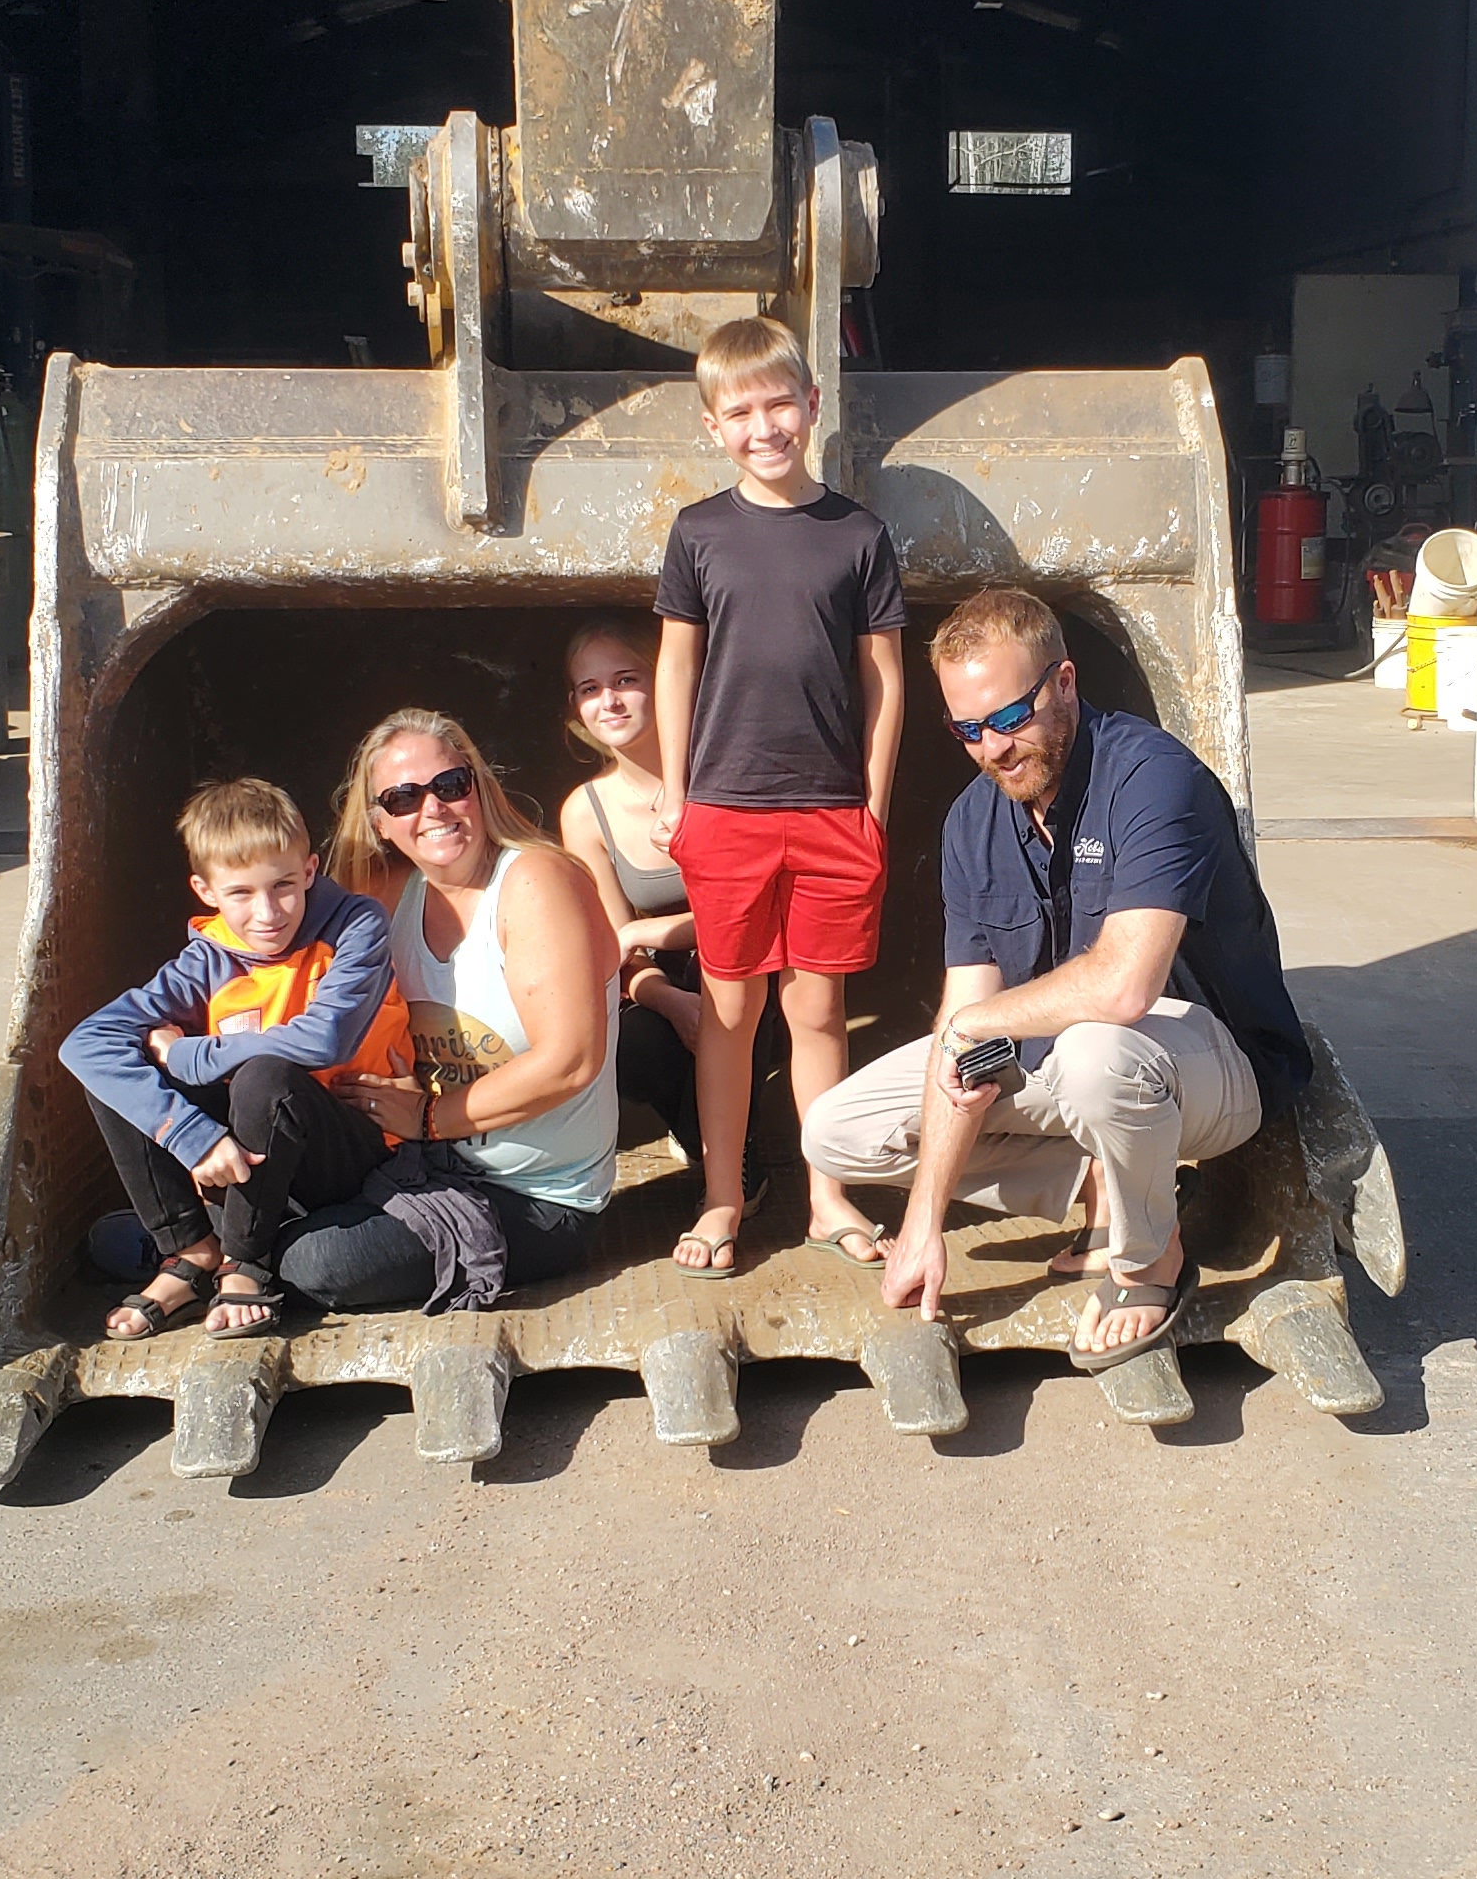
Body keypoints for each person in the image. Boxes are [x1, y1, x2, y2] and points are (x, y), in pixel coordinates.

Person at [805, 589, 1314, 1371]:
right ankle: (1110, 1185)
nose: (992, 748)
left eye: (1010, 717)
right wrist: (923, 1225)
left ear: (1065, 682)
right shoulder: (972, 822)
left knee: (1095, 1052)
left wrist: (976, 1027)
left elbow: (1123, 989)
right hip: (1073, 1069)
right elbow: (963, 1022)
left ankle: (1150, 1262)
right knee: (836, 1131)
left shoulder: (1152, 778)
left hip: (1208, 1072)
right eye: (967, 730)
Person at [652, 315, 907, 1277]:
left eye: (778, 406)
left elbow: (883, 680)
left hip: (833, 813)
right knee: (728, 1015)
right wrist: (676, 793)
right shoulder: (699, 532)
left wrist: (872, 807)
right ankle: (721, 1197)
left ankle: (827, 1195)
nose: (763, 428)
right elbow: (676, 666)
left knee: (818, 1014)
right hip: (725, 813)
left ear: (812, 404)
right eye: (739, 412)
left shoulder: (860, 536)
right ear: (713, 426)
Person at [258, 709, 620, 1313]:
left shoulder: (535, 882)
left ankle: (240, 1252)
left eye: (450, 785)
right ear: (379, 822)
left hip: (532, 1196)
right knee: (262, 1087)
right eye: (403, 798)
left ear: (479, 788)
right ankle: (195, 1247)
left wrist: (429, 1116)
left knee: (316, 1261)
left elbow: (571, 1062)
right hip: (413, 1157)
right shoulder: (383, 896)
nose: (433, 809)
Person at [59, 777, 408, 1340]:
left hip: (352, 1142)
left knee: (265, 1075)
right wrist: (191, 1136)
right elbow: (85, 1043)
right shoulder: (207, 959)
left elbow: (324, 1040)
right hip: (257, 1157)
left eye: (283, 885)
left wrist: (188, 1055)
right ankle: (191, 1249)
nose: (267, 912)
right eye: (241, 893)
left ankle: (244, 1260)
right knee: (120, 1065)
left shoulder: (355, 925)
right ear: (206, 891)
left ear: (311, 870)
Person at [556, 620, 708, 1170]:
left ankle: (732, 1151)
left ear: (664, 680)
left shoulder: (718, 777)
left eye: (626, 680)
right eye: (590, 688)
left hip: (753, 972)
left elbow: (759, 915)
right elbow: (619, 952)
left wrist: (644, 929)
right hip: (671, 987)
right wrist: (673, 1003)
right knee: (628, 1040)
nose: (610, 702)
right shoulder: (585, 811)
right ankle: (709, 1140)